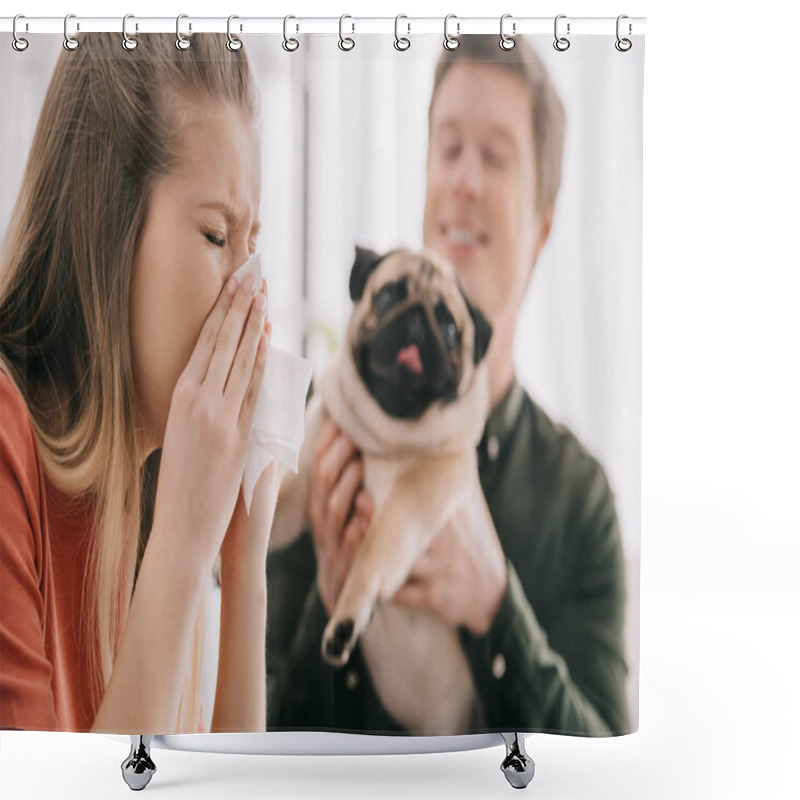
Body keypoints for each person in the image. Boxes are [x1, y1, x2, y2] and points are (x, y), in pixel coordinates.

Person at [267, 34, 632, 735]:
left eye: (495, 157)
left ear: (544, 224)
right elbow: (251, 729)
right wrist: (332, 597)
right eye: (448, 148)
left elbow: (612, 770)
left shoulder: (579, 505)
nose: (465, 179)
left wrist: (498, 610)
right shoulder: (328, 424)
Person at [0, 33, 278, 734]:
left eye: (252, 246)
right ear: (110, 229)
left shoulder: (146, 487)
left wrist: (241, 568)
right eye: (217, 238)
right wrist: (186, 538)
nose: (248, 289)